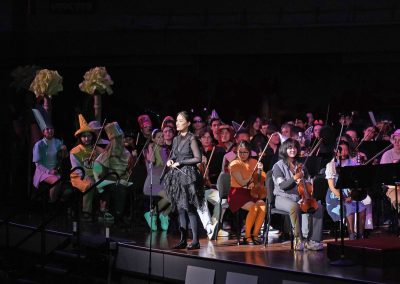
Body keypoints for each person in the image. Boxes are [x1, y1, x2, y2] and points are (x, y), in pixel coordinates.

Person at [272, 138, 324, 251]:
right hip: (282, 198)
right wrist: (295, 177)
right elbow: (283, 186)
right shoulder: (278, 166)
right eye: (290, 147)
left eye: (295, 147)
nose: (293, 150)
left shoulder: (301, 166)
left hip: (300, 198)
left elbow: (308, 182)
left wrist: (309, 184)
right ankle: (298, 239)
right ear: (284, 149)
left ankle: (313, 241)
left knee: (318, 207)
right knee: (294, 206)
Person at [163, 111, 204, 250]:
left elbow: (198, 158)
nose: (177, 123)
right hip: (177, 176)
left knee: (190, 208)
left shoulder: (192, 138)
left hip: (188, 176)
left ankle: (195, 240)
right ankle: (183, 239)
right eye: (177, 120)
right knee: (180, 209)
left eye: (181, 121)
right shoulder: (175, 139)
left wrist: (181, 162)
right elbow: (174, 155)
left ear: (188, 123)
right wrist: (170, 161)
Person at [325, 141, 371, 240]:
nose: (344, 152)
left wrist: (353, 195)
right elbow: (332, 187)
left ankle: (360, 235)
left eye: (346, 150)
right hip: (336, 195)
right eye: (341, 150)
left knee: (362, 209)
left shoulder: (352, 162)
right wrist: (344, 198)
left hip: (351, 194)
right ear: (335, 151)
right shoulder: (331, 165)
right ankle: (351, 235)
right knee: (349, 208)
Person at [93, 122, 133, 224]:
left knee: (128, 188)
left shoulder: (127, 153)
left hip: (122, 180)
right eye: (118, 138)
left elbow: (128, 170)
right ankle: (117, 216)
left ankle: (123, 215)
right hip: (109, 181)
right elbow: (96, 166)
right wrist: (98, 182)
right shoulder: (107, 153)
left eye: (121, 138)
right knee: (119, 189)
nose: (121, 140)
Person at [228, 141, 266, 244]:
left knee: (263, 206)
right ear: (237, 152)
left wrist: (259, 171)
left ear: (249, 152)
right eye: (240, 152)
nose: (242, 155)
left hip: (251, 192)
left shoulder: (254, 162)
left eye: (245, 152)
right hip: (237, 193)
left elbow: (260, 179)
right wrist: (252, 174)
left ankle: (255, 234)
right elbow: (242, 182)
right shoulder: (234, 164)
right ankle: (247, 236)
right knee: (254, 207)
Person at [70, 114, 104, 219]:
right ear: (80, 138)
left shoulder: (98, 149)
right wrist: (87, 177)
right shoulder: (75, 151)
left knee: (105, 185)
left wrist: (98, 175)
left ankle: (102, 212)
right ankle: (86, 213)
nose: (86, 138)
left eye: (89, 136)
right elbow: (77, 168)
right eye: (84, 136)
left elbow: (100, 166)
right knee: (89, 185)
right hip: (79, 176)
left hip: (95, 175)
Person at [32, 108, 68, 202]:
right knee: (56, 180)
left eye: (51, 129)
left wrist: (64, 150)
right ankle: (51, 203)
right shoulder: (39, 145)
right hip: (43, 172)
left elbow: (65, 156)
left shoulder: (58, 142)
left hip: (56, 170)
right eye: (47, 129)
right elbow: (38, 164)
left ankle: (56, 202)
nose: (50, 131)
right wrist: (49, 172)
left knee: (64, 182)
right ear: (43, 132)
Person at [143, 128, 171, 231]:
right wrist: (151, 147)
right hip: (152, 182)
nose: (161, 139)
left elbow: (169, 168)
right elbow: (152, 160)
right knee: (169, 196)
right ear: (153, 139)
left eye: (162, 136)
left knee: (177, 195)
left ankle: (164, 215)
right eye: (158, 137)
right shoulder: (148, 150)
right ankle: (152, 214)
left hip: (163, 182)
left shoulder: (167, 151)